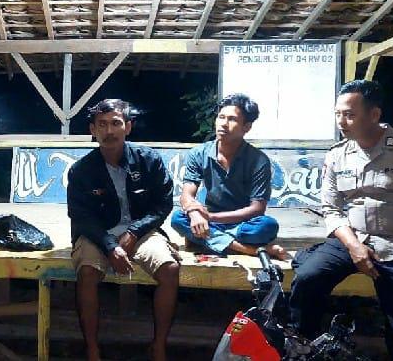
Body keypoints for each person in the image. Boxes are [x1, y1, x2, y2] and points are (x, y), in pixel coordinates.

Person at [288, 80, 393, 360]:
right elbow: (331, 209)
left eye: (349, 115)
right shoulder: (337, 154)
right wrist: (354, 247)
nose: (341, 121)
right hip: (352, 238)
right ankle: (302, 347)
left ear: (374, 115)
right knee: (307, 278)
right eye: (338, 114)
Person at [67, 99, 180, 361]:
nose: (109, 131)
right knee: (87, 273)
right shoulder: (81, 170)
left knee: (170, 269)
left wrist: (135, 232)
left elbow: (163, 205)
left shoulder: (149, 160)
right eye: (102, 124)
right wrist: (109, 245)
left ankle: (159, 346)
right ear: (93, 130)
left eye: (116, 123)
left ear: (128, 127)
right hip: (98, 233)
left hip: (141, 231)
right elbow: (81, 217)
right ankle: (92, 349)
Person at [170, 93, 288, 259]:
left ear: (247, 127)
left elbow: (257, 209)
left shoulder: (258, 160)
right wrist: (194, 213)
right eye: (221, 117)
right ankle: (250, 250)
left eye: (232, 119)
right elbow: (186, 195)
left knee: (267, 226)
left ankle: (205, 239)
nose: (223, 124)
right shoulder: (199, 153)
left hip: (242, 223)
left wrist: (210, 218)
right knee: (177, 219)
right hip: (209, 219)